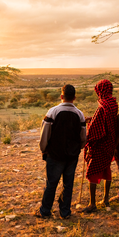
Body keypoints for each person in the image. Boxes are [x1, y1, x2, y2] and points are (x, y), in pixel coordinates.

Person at [35, 84, 87, 219]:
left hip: (55, 154)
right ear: (74, 97)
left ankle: (45, 211)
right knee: (68, 184)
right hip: (72, 156)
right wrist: (78, 148)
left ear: (61, 96)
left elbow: (45, 134)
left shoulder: (52, 112)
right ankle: (65, 212)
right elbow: (83, 137)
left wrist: (44, 149)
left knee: (51, 183)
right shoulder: (79, 114)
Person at [82, 79, 118, 213]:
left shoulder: (102, 106)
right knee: (106, 169)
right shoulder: (113, 103)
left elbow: (95, 128)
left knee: (92, 171)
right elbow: (104, 121)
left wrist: (87, 135)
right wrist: (92, 119)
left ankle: (92, 204)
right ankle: (106, 199)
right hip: (110, 142)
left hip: (100, 143)